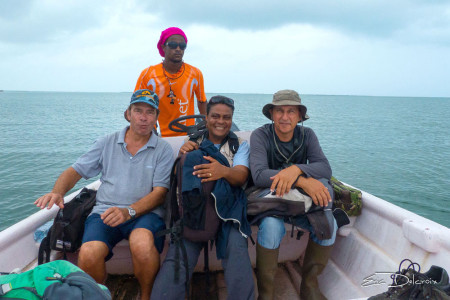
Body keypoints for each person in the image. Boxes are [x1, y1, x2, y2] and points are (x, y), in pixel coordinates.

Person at [34, 89, 174, 300]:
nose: (143, 117)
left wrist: (129, 211)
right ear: (128, 113)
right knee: (89, 253)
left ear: (156, 118)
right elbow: (75, 171)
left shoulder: (163, 149)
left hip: (145, 213)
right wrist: (57, 192)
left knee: (142, 245)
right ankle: (99, 295)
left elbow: (160, 193)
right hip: (105, 211)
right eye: (138, 111)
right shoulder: (106, 142)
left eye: (150, 112)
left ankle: (146, 296)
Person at [151, 96, 255, 300]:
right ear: (206, 118)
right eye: (215, 116)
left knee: (237, 251)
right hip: (197, 211)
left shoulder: (239, 145)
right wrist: (183, 156)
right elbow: (179, 180)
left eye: (227, 117)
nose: (221, 121)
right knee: (178, 259)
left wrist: (222, 171)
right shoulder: (192, 143)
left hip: (228, 212)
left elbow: (241, 175)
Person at [249, 89, 337, 300]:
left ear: (299, 116)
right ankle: (266, 294)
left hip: (299, 203)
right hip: (270, 204)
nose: (285, 117)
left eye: (291, 111)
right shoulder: (260, 135)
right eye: (279, 111)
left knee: (329, 225)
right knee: (271, 227)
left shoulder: (307, 135)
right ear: (271, 114)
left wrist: (296, 169)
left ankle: (309, 290)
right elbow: (259, 175)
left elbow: (325, 168)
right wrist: (301, 179)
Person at [133, 27, 207, 137]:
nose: (178, 49)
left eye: (182, 46)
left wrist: (206, 125)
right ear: (163, 47)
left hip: (188, 134)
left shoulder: (195, 73)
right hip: (156, 135)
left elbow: (202, 101)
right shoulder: (148, 74)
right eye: (173, 45)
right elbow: (137, 104)